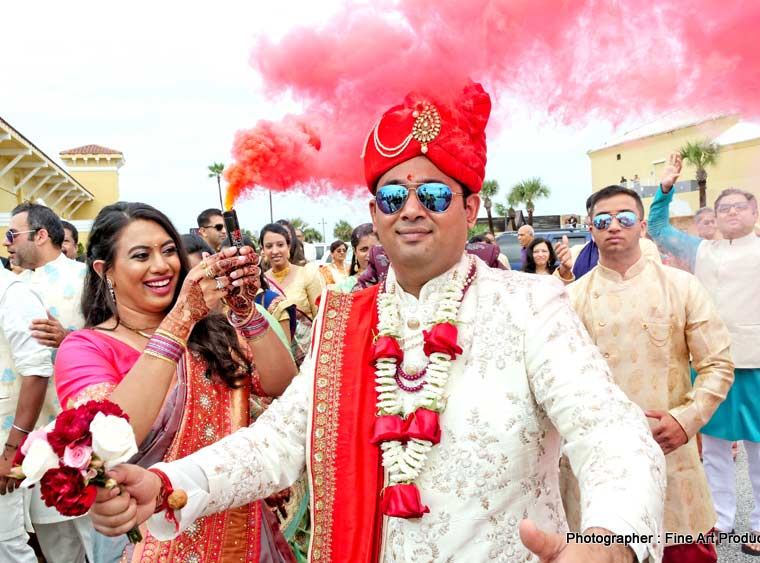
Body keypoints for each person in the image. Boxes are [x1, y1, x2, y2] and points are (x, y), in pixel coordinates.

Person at [89, 83, 665, 562]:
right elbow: (277, 442)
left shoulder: (530, 305)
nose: (411, 209)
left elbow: (611, 431)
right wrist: (168, 484)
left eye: (434, 193)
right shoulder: (344, 321)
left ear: (469, 208)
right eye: (393, 197)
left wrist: (612, 541)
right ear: (373, 215)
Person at [54, 202, 298, 562]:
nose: (161, 265)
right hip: (149, 536)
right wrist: (180, 320)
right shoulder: (86, 348)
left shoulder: (212, 333)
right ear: (106, 270)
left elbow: (282, 386)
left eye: (169, 250)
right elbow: (107, 440)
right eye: (141, 255)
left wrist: (246, 313)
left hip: (240, 527)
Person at [648, 144, 760, 557]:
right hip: (709, 368)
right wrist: (665, 188)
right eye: (725, 209)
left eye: (741, 207)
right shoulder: (700, 250)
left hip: (759, 365)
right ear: (716, 219)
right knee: (717, 451)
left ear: (755, 214)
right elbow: (658, 229)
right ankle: (719, 518)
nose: (732, 213)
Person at [563, 184, 734, 563]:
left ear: (641, 225)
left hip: (670, 450)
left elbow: (717, 365)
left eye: (624, 218)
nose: (614, 227)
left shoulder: (681, 287)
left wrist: (685, 420)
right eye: (602, 220)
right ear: (590, 229)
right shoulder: (570, 301)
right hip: (599, 463)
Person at [3, 202, 91, 561]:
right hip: (34, 439)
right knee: (54, 541)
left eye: (13, 234)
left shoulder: (86, 277)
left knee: (97, 538)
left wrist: (69, 336)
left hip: (83, 432)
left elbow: (115, 338)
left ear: (40, 235)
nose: (7, 242)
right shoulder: (13, 286)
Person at [0, 267, 54, 563]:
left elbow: (36, 372)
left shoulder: (13, 294)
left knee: (7, 545)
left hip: (4, 440)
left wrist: (11, 451)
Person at [260, 223, 322, 365]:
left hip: (309, 357)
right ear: (263, 250)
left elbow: (320, 317)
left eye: (280, 245)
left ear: (288, 247)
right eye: (269, 246)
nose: (275, 251)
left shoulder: (307, 274)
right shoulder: (261, 282)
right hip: (277, 359)